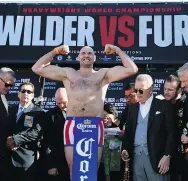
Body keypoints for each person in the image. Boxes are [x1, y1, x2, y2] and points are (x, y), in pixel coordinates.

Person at [32, 44, 138, 178]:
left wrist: (117, 50)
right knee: (73, 168)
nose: (86, 55)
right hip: (73, 124)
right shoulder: (68, 73)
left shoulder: (103, 74)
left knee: (92, 169)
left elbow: (132, 69)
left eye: (89, 53)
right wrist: (56, 51)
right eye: (83, 53)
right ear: (78, 58)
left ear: (94, 58)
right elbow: (37, 68)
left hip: (95, 125)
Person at [122, 74, 175, 181]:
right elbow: (128, 132)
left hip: (157, 159)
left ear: (150, 90)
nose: (137, 93)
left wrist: (167, 155)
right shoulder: (132, 109)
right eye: (136, 90)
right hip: (136, 158)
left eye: (141, 90)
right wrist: (125, 148)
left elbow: (172, 132)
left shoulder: (164, 105)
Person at [7, 82, 46, 181]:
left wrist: (14, 140)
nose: (26, 94)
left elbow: (35, 133)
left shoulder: (38, 112)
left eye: (29, 92)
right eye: (23, 91)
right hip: (6, 160)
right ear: (18, 94)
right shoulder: (10, 110)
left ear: (33, 95)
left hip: (25, 161)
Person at [163, 74, 188, 181]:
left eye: (170, 90)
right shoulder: (161, 105)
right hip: (167, 153)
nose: (166, 92)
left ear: (179, 90)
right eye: (165, 89)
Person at [43, 88, 70, 181]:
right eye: (58, 103)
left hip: (78, 161)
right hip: (59, 164)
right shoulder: (50, 116)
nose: (61, 105)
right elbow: (46, 142)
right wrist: (51, 165)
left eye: (64, 102)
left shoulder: (80, 113)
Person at [103, 103, 122, 181]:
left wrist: (112, 124)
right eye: (103, 116)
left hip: (116, 162)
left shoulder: (121, 124)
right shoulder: (99, 126)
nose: (105, 118)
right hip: (103, 163)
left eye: (107, 115)